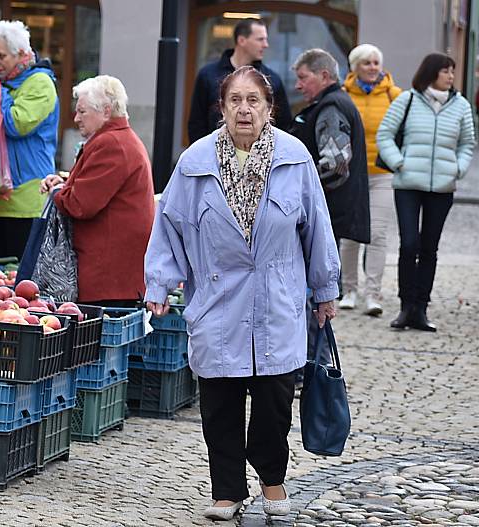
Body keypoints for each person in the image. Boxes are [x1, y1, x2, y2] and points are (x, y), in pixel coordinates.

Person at [144, 66, 340, 521]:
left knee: (273, 405)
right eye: (235, 100)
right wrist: (159, 282)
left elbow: (317, 227)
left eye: (253, 100)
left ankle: (272, 481)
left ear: (269, 109)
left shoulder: (294, 158)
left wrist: (325, 289)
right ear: (223, 107)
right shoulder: (195, 164)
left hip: (277, 299)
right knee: (220, 406)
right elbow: (168, 226)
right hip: (217, 300)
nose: (244, 109)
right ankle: (226, 491)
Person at [377, 53, 475, 331]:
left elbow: (467, 143)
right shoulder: (407, 100)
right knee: (409, 245)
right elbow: (385, 133)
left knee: (429, 248)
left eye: (452, 72)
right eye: (446, 71)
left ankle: (421, 308)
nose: (451, 76)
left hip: (442, 187)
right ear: (432, 72)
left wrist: (459, 167)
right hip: (408, 184)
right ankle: (405, 306)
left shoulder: (461, 106)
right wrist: (398, 162)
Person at [40, 75, 154, 307]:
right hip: (115, 276)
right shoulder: (119, 139)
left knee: (96, 341)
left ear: (106, 111)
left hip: (108, 277)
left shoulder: (111, 143)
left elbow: (80, 204)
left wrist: (59, 191)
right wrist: (65, 181)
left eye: (82, 112)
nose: (76, 118)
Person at [0, 20, 59, 260]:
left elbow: (15, 124)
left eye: (1, 56)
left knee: (18, 281)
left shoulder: (40, 83)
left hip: (25, 199)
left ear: (22, 54)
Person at [340, 44, 402, 316]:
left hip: (381, 173)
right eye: (367, 63)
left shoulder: (394, 95)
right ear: (355, 67)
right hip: (352, 175)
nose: (373, 68)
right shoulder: (342, 95)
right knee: (350, 234)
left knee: (376, 234)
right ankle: (349, 289)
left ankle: (373, 293)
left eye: (376, 63)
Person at [291, 48, 370, 248]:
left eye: (303, 78)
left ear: (324, 76)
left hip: (327, 212)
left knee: (326, 276)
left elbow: (336, 166)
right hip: (328, 212)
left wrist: (296, 185)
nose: (297, 86)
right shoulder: (333, 103)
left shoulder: (331, 108)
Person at [187, 18, 292, 143]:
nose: (266, 45)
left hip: (262, 157)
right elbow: (197, 123)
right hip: (214, 155)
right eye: (260, 39)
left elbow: (283, 124)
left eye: (253, 100)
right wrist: (204, 156)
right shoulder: (208, 75)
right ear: (242, 40)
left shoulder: (272, 79)